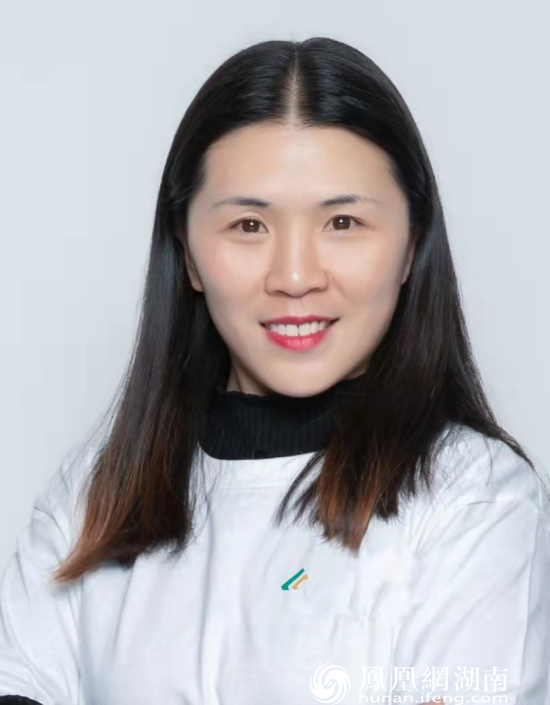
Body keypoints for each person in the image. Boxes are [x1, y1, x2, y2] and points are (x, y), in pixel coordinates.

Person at [0, 36, 549, 705]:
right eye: (249, 226)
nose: (294, 277)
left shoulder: (476, 499)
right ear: (188, 253)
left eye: (342, 221)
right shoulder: (96, 494)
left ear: (412, 246)